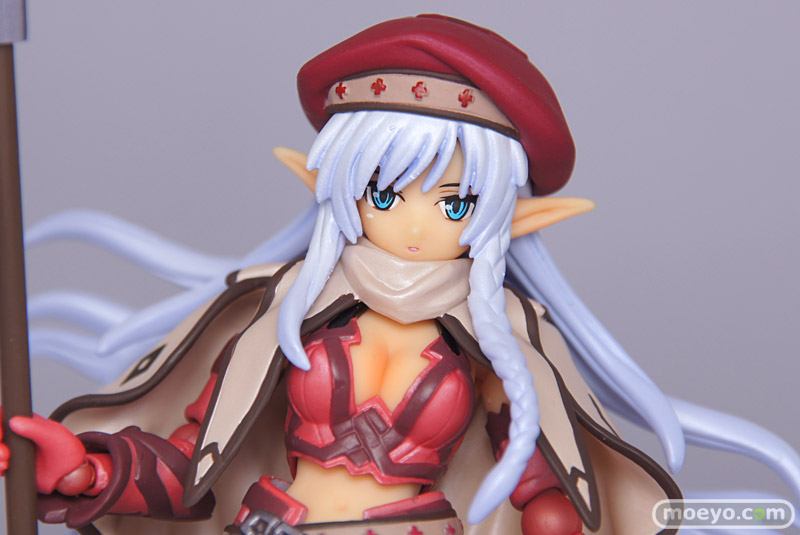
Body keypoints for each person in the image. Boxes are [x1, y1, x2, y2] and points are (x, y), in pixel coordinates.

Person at [2, 14, 798, 535]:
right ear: (341, 185)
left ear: (499, 211)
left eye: (454, 202)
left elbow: (540, 485)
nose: (416, 224)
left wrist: (560, 517)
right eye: (386, 192)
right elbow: (192, 463)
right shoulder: (285, 313)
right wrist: (90, 469)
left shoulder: (494, 340)